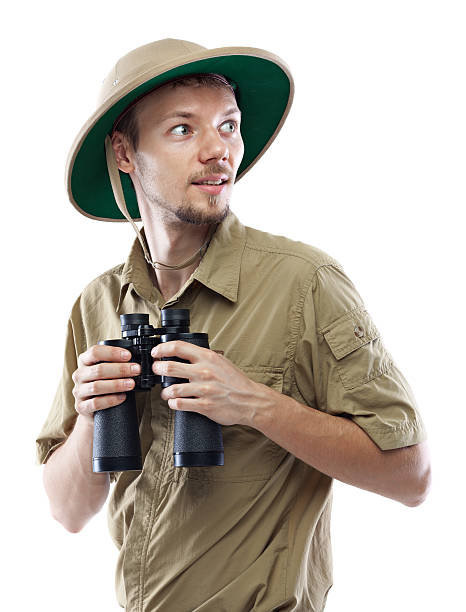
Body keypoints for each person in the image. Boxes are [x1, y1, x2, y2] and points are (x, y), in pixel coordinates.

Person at [36, 38, 431, 612]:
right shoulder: (97, 303)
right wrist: (92, 418)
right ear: (124, 152)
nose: (217, 150)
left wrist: (252, 404)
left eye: (228, 126)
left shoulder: (304, 281)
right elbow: (66, 511)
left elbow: (412, 476)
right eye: (182, 129)